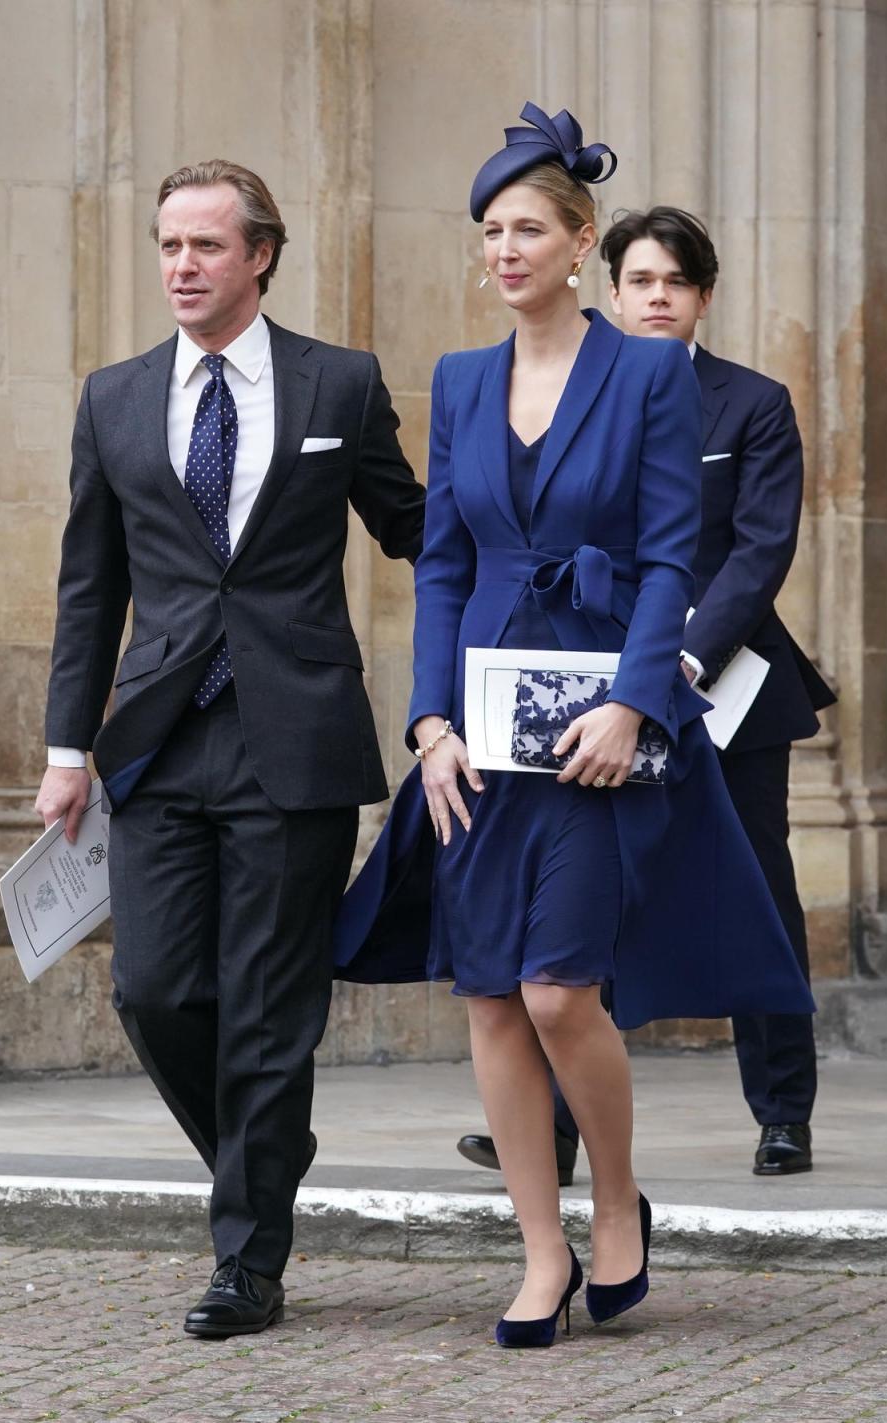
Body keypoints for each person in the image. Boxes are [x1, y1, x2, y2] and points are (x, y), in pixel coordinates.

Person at [333, 105, 815, 1348]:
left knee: (557, 992)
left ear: (579, 239)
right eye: (489, 231)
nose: (504, 249)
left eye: (529, 228)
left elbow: (668, 557)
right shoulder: (457, 378)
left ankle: (615, 1202)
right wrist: (429, 720)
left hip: (604, 723)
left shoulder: (650, 372)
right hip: (482, 727)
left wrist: (635, 698)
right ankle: (540, 1250)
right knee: (490, 995)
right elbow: (440, 563)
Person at [35, 159, 424, 1338]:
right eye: (168, 247)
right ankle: (266, 1151)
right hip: (156, 739)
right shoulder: (113, 396)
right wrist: (66, 745)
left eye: (205, 246)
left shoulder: (340, 385)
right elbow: (87, 587)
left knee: (268, 1007)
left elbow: (417, 531)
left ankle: (246, 1260)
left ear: (261, 253)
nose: (182, 268)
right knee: (153, 990)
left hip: (294, 738)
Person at [454, 206, 835, 1184]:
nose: (656, 296)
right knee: (569, 902)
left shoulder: (750, 402)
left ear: (702, 296)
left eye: (676, 281)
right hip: (580, 682)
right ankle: (556, 1125)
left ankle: (782, 1106)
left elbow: (757, 552)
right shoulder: (565, 391)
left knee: (758, 884)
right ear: (610, 289)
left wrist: (678, 664)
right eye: (640, 280)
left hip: (723, 680)